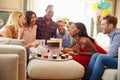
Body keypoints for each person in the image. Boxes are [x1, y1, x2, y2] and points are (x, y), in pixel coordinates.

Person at [83, 15, 120, 80]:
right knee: (95, 55)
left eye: (103, 25)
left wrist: (104, 55)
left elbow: (112, 54)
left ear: (110, 26)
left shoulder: (117, 34)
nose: (101, 27)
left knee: (101, 58)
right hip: (117, 58)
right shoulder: (112, 34)